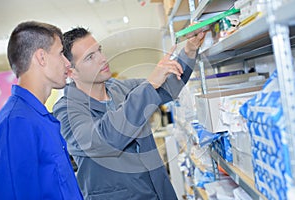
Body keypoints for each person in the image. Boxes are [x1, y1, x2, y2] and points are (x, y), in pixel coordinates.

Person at [53, 27, 205, 199]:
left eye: (99, 51)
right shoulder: (67, 111)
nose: (103, 59)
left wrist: (189, 51)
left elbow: (168, 88)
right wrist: (148, 86)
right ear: (71, 71)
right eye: (90, 57)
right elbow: (106, 138)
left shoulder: (120, 88)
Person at [0, 21, 83, 199]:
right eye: (60, 54)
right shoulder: (17, 122)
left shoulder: (40, 118)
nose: (67, 63)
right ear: (41, 57)